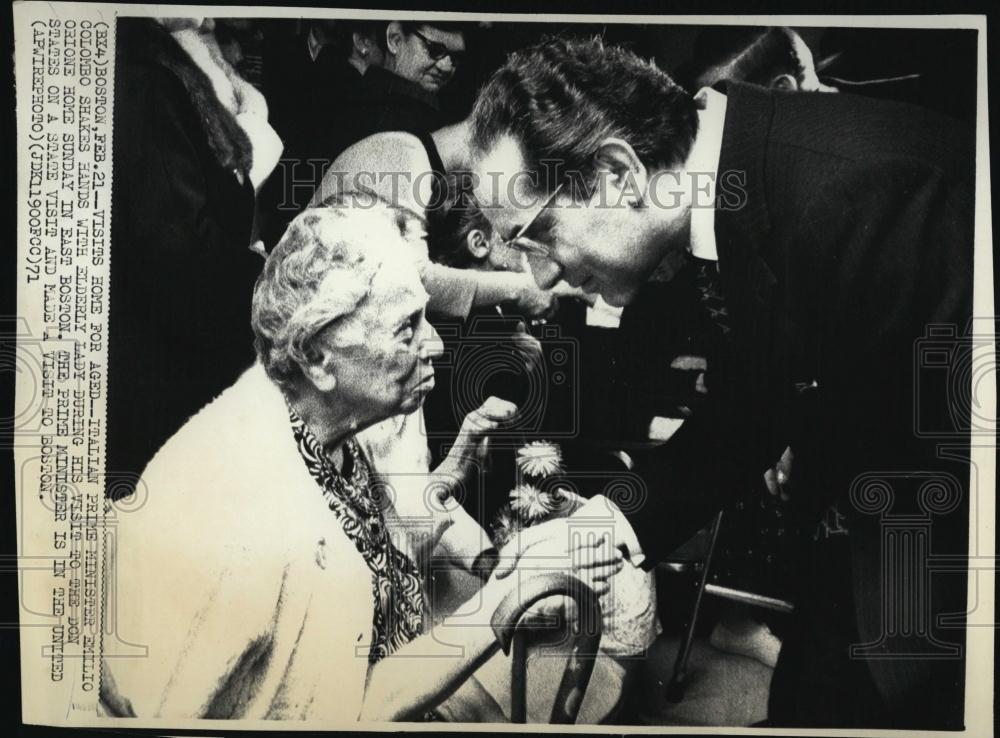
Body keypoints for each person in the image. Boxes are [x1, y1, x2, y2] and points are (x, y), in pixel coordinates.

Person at [466, 36, 972, 729]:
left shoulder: (866, 193)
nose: (542, 277)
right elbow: (749, 409)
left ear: (618, 172)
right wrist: (602, 525)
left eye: (537, 236)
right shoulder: (748, 187)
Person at [99, 199, 627, 722]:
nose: (437, 344)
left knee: (591, 678)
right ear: (317, 356)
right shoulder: (241, 522)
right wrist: (504, 600)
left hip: (400, 650)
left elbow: (380, 531)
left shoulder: (321, 414)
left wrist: (498, 560)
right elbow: (346, 708)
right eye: (407, 327)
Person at [108, 17, 282, 497]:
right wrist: (275, 284)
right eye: (217, 35)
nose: (234, 55)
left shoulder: (157, 73)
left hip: (178, 369)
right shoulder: (146, 81)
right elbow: (180, 260)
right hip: (166, 387)